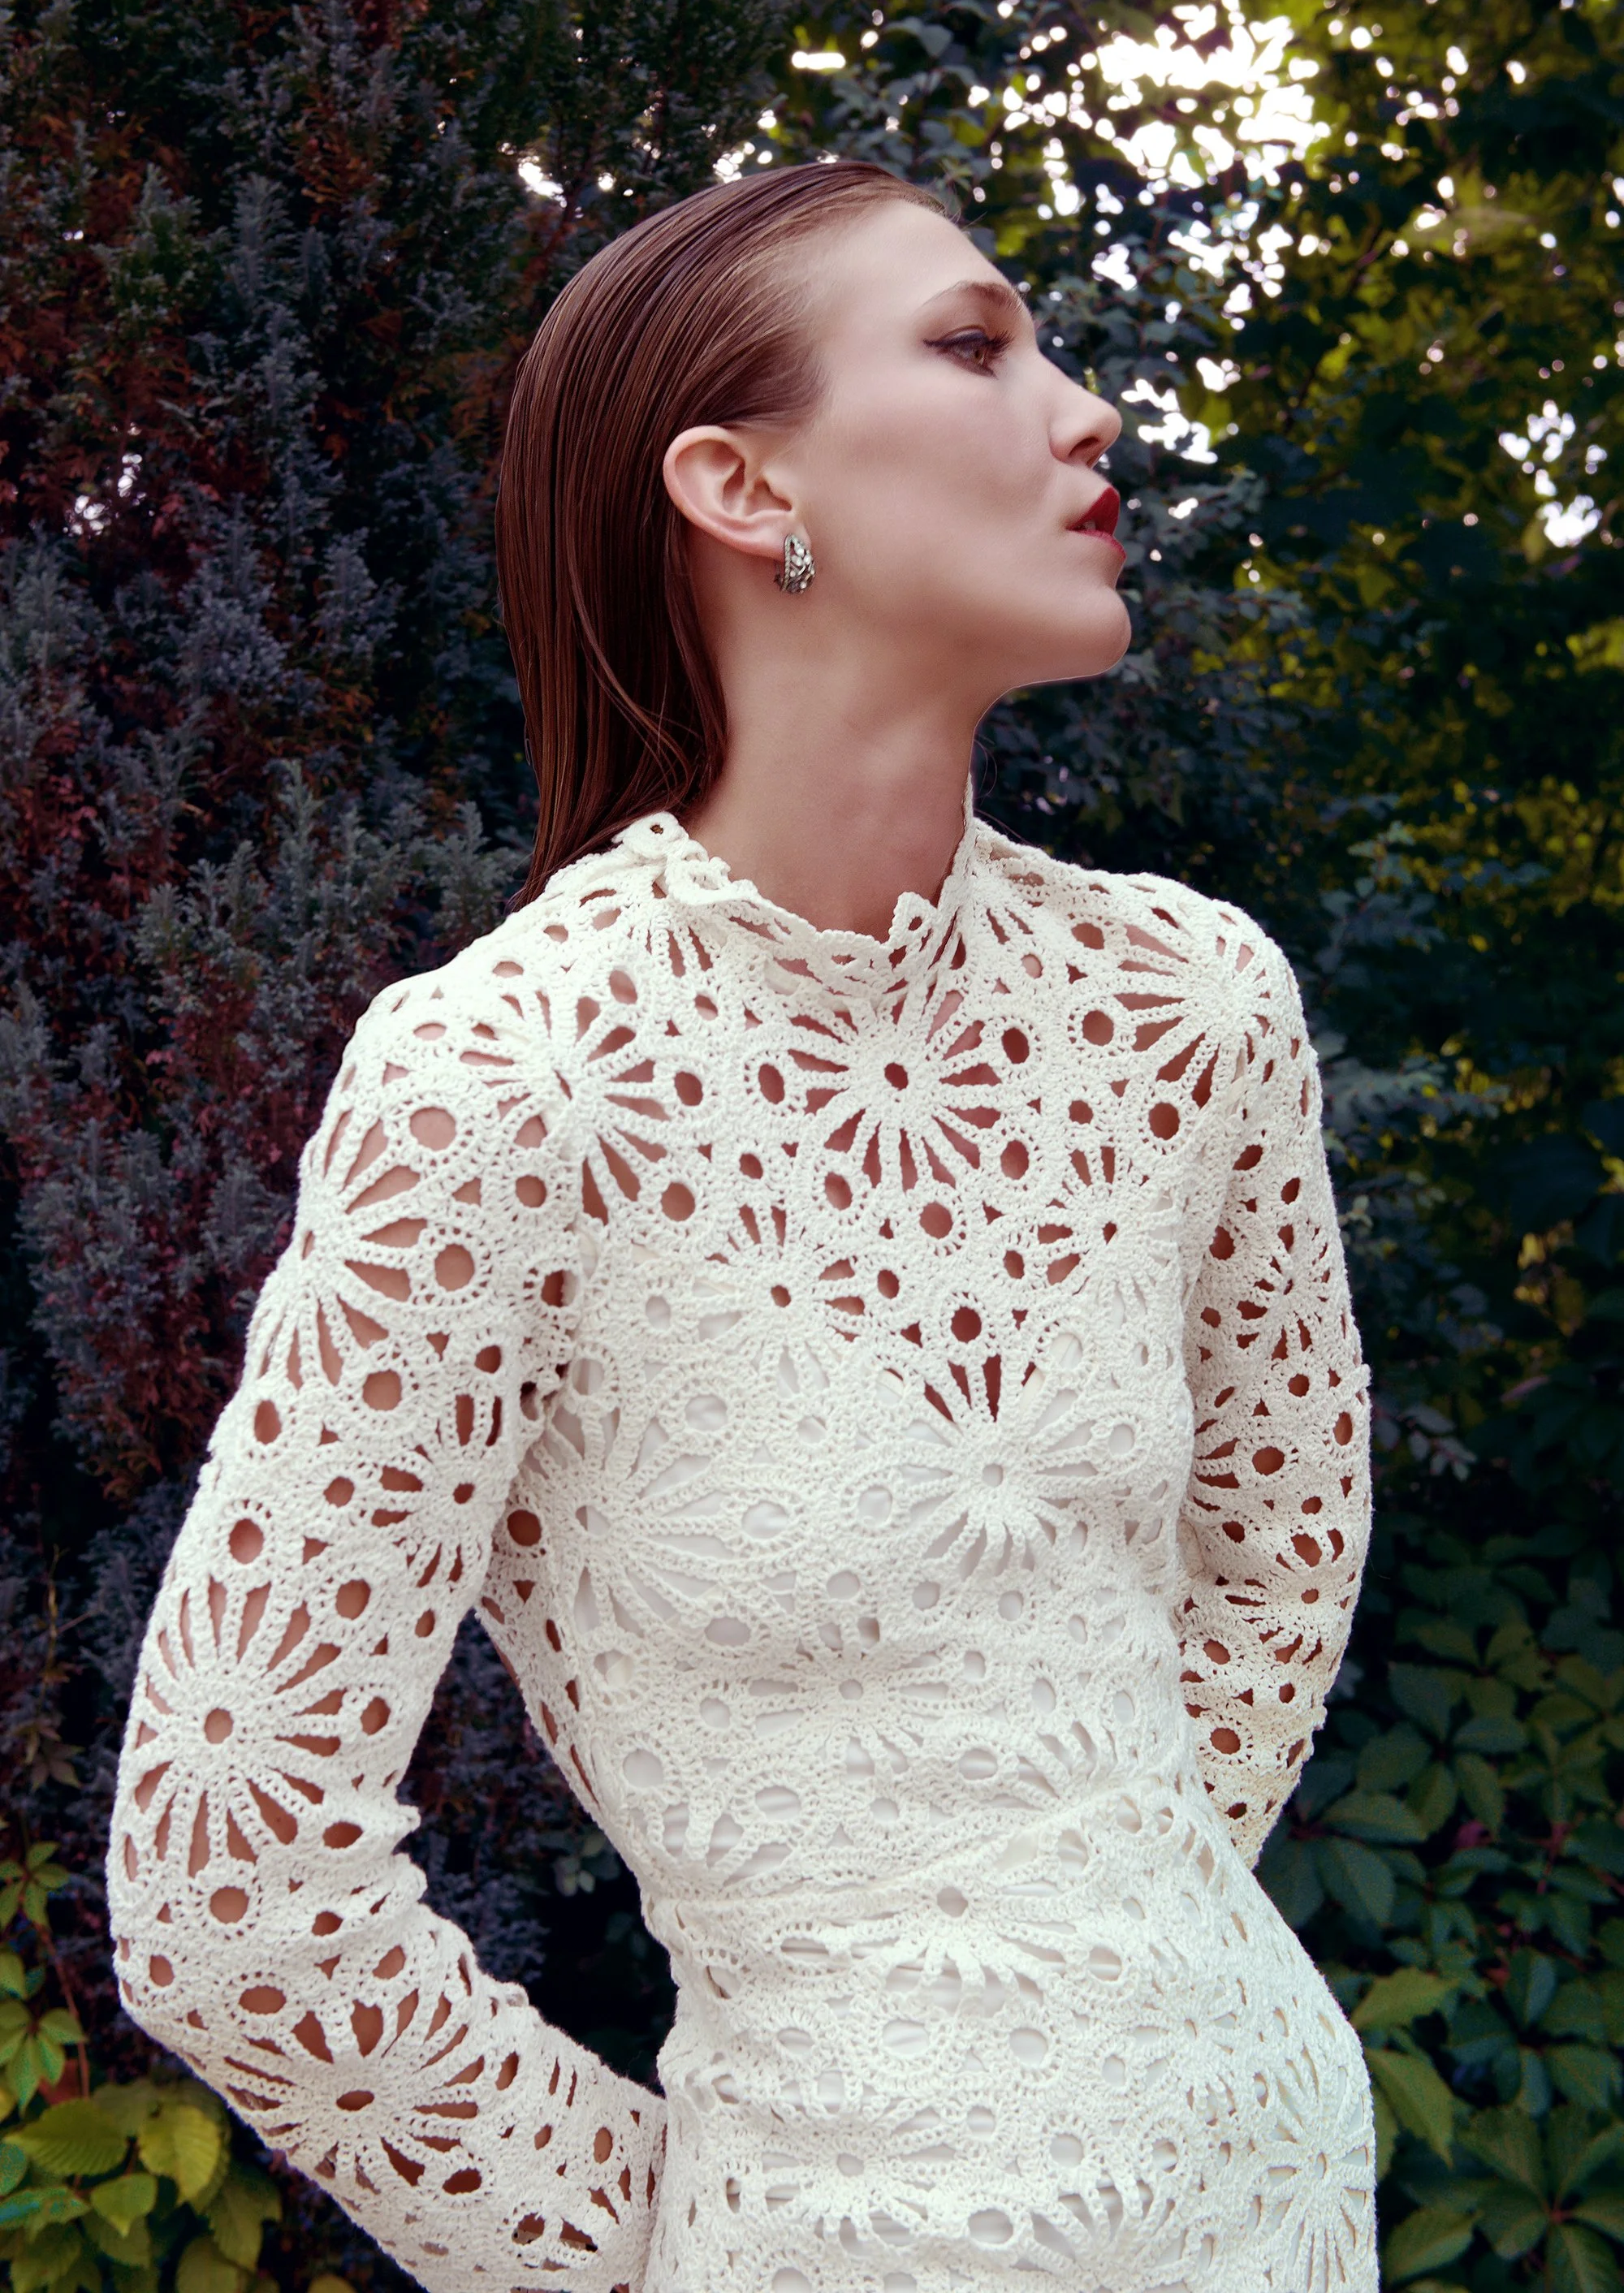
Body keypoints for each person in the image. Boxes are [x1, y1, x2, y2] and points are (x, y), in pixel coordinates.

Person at [109, 160, 1376, 2293]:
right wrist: (701, 2235)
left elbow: (1274, 1561)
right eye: (978, 347)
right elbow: (230, 1882)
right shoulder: (504, 1080)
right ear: (732, 480)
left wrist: (1077, 2016)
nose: (1082, 414)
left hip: (1280, 2199)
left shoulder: (1192, 1008)